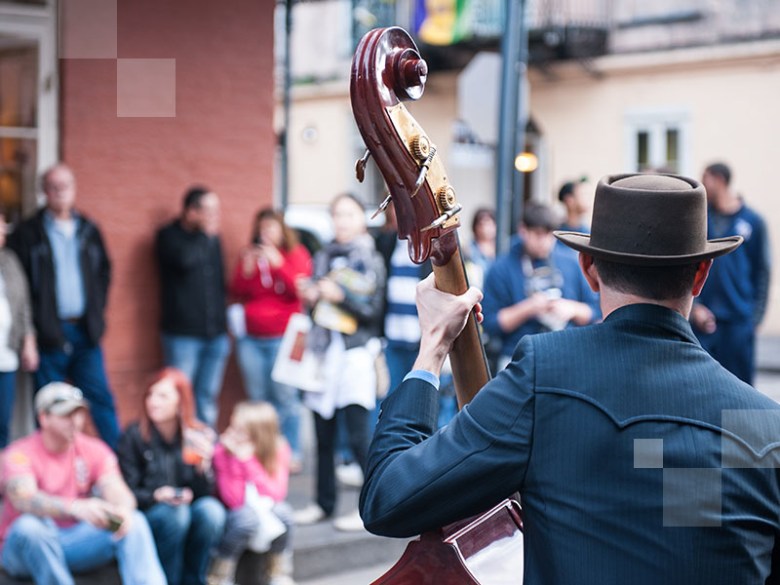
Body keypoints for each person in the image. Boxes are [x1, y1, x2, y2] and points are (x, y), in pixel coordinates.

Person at [359, 173, 780, 584]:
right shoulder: (765, 426)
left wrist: (432, 349)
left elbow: (389, 498)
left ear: (588, 268)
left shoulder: (546, 375)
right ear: (702, 274)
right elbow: (674, 515)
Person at [0, 381, 166, 584]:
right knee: (30, 527)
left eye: (78, 413)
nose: (75, 421)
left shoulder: (92, 448)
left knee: (135, 521)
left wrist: (122, 509)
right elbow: (23, 499)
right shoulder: (19, 453)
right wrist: (74, 507)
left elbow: (116, 488)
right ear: (43, 417)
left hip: (73, 542)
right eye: (66, 415)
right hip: (21, 552)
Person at [7, 163, 120, 449]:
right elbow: (19, 289)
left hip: (85, 329)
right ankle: (51, 469)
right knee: (49, 406)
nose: (60, 193)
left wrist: (97, 313)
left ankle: (121, 465)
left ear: (74, 188)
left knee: (100, 398)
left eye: (65, 186)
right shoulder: (28, 233)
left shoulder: (88, 229)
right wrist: (31, 332)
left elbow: (104, 272)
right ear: (44, 192)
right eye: (53, 187)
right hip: (49, 333)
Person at [293, 193, 385, 531]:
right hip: (323, 352)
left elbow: (373, 312)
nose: (341, 222)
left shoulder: (369, 258)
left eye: (348, 214)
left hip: (355, 354)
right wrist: (312, 296)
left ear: (361, 219)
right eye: (336, 215)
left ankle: (371, 508)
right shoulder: (322, 256)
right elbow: (315, 309)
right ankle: (323, 503)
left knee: (360, 435)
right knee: (323, 434)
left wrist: (340, 296)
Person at [118, 367, 227, 585]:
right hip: (151, 513)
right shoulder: (134, 436)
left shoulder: (196, 434)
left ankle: (195, 579)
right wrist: (156, 495)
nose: (153, 401)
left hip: (187, 509)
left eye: (163, 396)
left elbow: (206, 493)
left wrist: (203, 469)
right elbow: (127, 491)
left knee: (212, 512)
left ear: (181, 401)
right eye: (150, 394)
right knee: (176, 515)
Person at [231, 208, 312, 471]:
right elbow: (238, 292)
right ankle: (262, 451)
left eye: (271, 228)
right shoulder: (251, 254)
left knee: (286, 397)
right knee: (258, 397)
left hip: (284, 336)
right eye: (262, 228)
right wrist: (245, 270)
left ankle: (291, 452)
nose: (266, 233)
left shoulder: (296, 254)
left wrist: (279, 264)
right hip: (252, 338)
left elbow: (298, 290)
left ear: (282, 229)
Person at [482, 202, 600, 369]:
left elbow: (597, 309)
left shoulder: (571, 262)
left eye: (549, 235)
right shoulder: (501, 268)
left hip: (567, 355)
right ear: (523, 230)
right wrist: (529, 308)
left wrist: (572, 309)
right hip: (518, 359)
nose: (545, 242)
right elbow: (490, 323)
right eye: (538, 234)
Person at [690, 162, 771, 385]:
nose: (702, 185)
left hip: (739, 322)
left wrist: (755, 318)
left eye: (705, 179)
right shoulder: (700, 220)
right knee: (704, 389)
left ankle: (737, 423)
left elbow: (762, 271)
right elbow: (690, 266)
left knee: (740, 393)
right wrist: (694, 307)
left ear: (719, 180)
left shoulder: (753, 222)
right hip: (704, 322)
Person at [156, 185, 230, 427]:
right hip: (183, 336)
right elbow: (183, 261)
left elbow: (219, 282)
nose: (214, 217)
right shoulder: (169, 236)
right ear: (191, 212)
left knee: (207, 398)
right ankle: (182, 454)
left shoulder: (211, 240)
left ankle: (204, 453)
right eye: (208, 211)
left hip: (215, 334)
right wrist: (203, 236)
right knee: (180, 396)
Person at [210, 401, 295, 585]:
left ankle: (278, 572)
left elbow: (277, 493)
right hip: (235, 514)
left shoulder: (278, 448)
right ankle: (220, 575)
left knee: (285, 512)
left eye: (239, 430)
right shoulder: (221, 452)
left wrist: (248, 461)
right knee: (246, 518)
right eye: (232, 426)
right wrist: (235, 460)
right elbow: (233, 500)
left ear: (258, 435)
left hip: (265, 510)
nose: (231, 433)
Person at [0, 209, 38, 447]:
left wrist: (29, 341)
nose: (3, 231)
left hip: (6, 354)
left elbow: (23, 304)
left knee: (3, 419)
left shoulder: (10, 260)